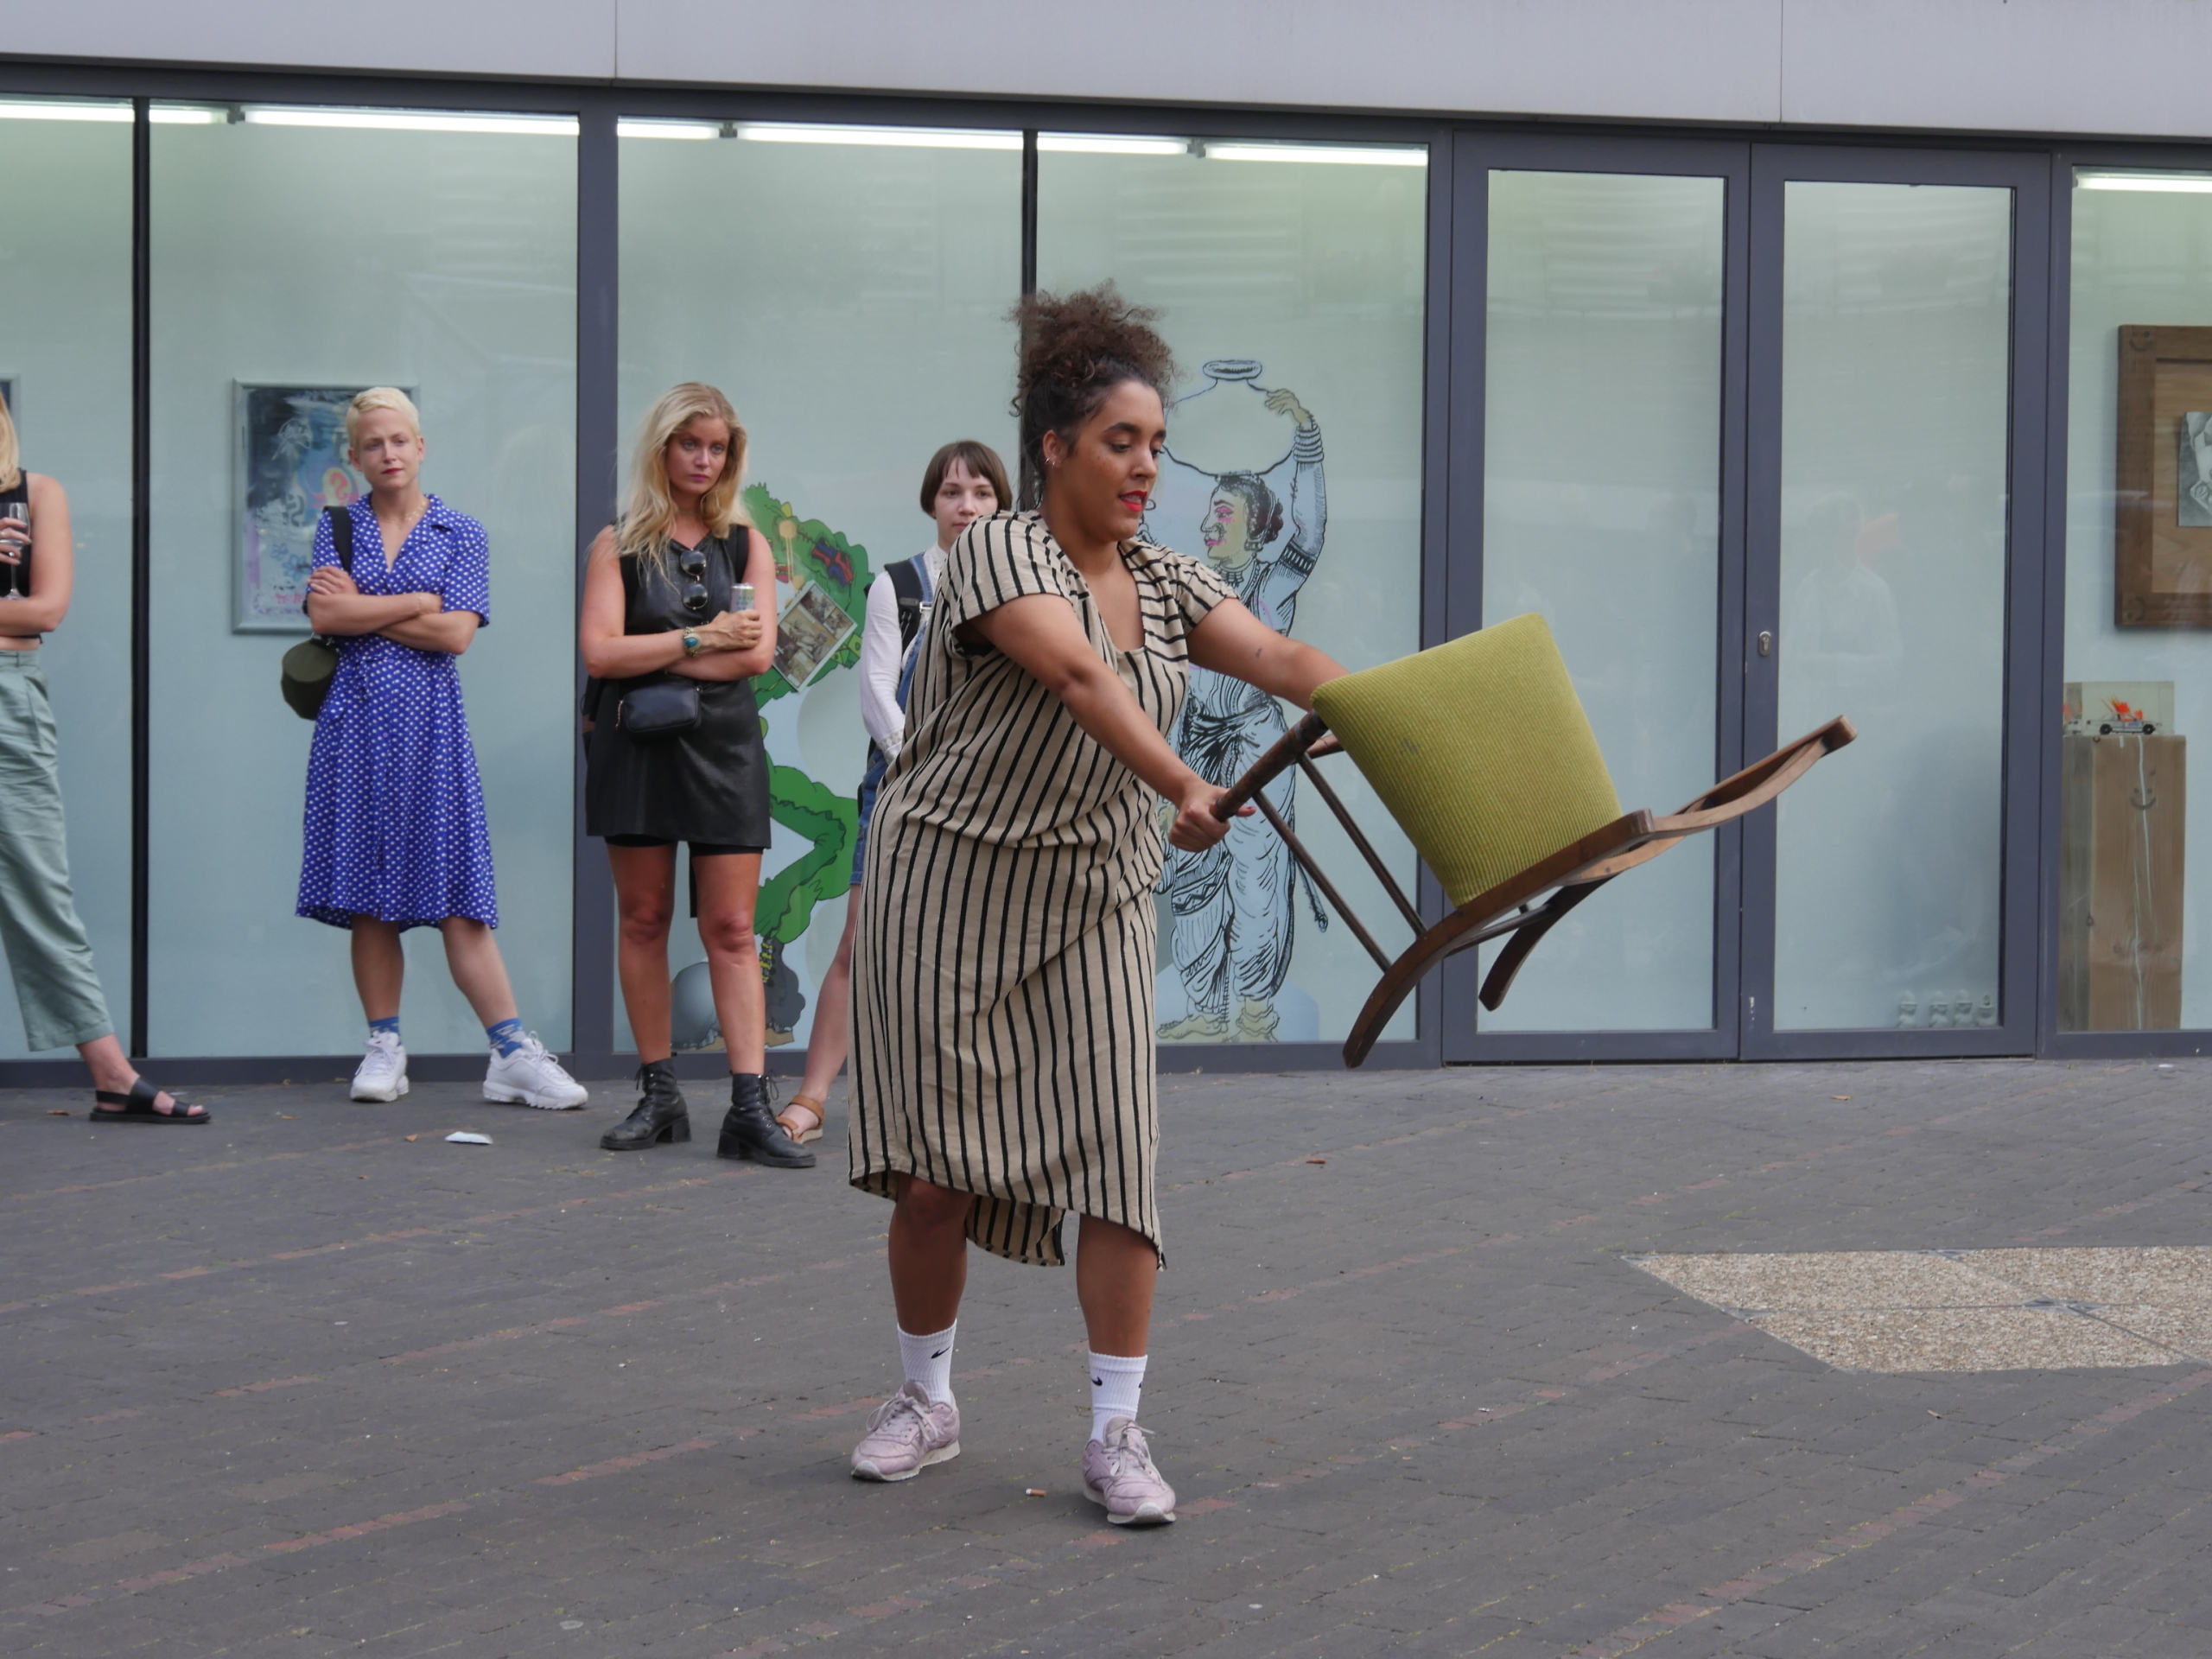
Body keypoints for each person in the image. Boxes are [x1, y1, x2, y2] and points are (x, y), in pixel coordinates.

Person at [845, 286, 1347, 1523]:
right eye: (1122, 441)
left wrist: (1395, 706)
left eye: (1158, 445)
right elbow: (1075, 674)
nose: (1146, 467)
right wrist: (1182, 781)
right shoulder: (998, 552)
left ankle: (1117, 1431)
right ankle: (925, 1399)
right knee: (934, 1178)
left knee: (1120, 1162)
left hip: (1098, 895)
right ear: (1057, 445)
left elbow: (1280, 657)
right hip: (949, 888)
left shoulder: (1167, 579)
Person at [301, 389, 587, 1111]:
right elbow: (325, 613)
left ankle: (512, 1052)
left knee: (460, 898)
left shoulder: (461, 531)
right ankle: (385, 1047)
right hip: (354, 733)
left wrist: (365, 610)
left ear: (421, 446)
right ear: (355, 456)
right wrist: (416, 603)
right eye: (373, 444)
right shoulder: (337, 526)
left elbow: (456, 634)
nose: (388, 453)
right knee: (368, 900)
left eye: (399, 440)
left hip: (432, 736)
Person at [582, 383, 814, 1169]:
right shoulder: (616, 544)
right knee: (644, 920)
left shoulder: (745, 544)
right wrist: (700, 638)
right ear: (662, 448)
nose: (704, 460)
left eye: (717, 448)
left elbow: (757, 655)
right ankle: (660, 1097)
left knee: (733, 929)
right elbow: (600, 653)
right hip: (637, 748)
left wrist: (658, 652)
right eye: (691, 444)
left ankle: (749, 1108)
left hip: (724, 748)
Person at [776, 439, 1009, 1147]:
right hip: (904, 783)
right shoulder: (899, 584)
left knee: (978, 952)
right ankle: (814, 1096)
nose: (967, 506)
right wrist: (925, 765)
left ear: (1001, 504)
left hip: (995, 792)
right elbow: (878, 694)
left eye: (982, 493)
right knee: (860, 943)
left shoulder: (1022, 587)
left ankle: (961, 1105)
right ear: (931, 503)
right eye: (952, 492)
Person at [0, 397, 210, 1124]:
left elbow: (46, 609)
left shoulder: (36, 492)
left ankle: (113, 1076)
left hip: (7, 697)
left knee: (39, 889)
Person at [1157, 389, 1327, 1044]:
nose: (1208, 524)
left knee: (1258, 883)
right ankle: (1206, 1011)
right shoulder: (1182, 579)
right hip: (1195, 742)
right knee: (1194, 882)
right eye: (1208, 512)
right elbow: (1135, 530)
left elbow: (1309, 533)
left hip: (1256, 740)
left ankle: (1255, 1012)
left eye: (1222, 514)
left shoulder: (1271, 584)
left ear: (1255, 527)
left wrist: (1306, 438)